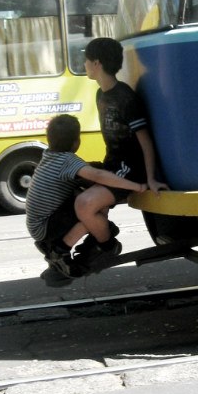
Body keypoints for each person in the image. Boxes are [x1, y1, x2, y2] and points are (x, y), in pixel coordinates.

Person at [75, 37, 167, 263]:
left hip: (129, 169)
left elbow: (145, 142)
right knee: (69, 184)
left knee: (85, 204)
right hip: (112, 164)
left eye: (86, 60)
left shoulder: (125, 98)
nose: (84, 65)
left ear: (97, 63)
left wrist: (150, 178)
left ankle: (106, 245)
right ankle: (99, 235)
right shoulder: (101, 94)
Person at [25, 113, 147, 280]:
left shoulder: (49, 155)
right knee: (91, 208)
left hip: (39, 224)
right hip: (46, 226)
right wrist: (136, 186)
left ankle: (93, 236)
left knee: (88, 199)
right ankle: (60, 250)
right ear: (77, 142)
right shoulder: (67, 161)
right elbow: (97, 176)